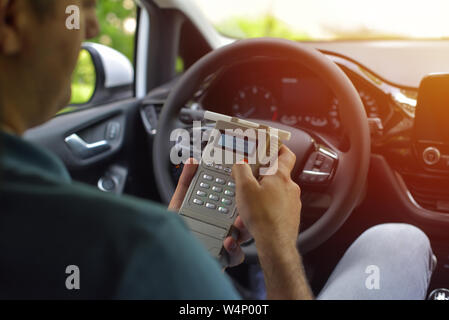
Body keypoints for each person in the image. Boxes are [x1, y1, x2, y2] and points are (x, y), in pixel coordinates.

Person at [0, 0, 435, 300]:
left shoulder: (138, 248)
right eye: (82, 9)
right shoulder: (140, 245)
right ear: (12, 19)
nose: (91, 26)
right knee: (397, 238)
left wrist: (188, 253)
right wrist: (278, 244)